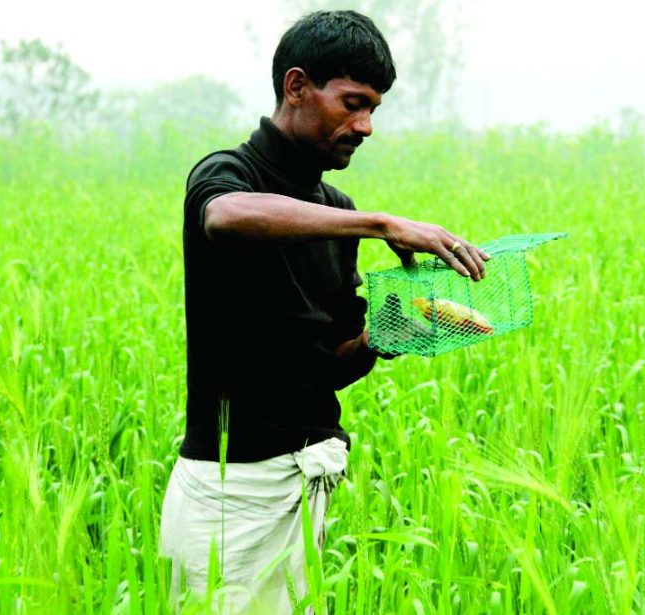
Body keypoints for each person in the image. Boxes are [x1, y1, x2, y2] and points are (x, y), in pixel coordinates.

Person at [158, 9, 490, 612]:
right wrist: (380, 223)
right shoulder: (227, 174)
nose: (365, 126)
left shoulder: (335, 207)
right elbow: (224, 216)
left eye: (374, 110)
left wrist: (386, 336)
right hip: (232, 491)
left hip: (307, 476)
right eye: (352, 102)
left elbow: (329, 365)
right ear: (296, 86)